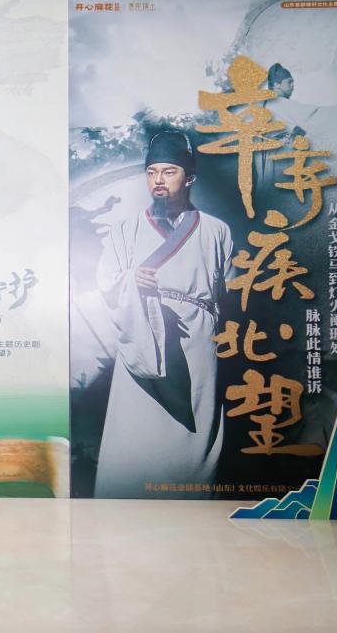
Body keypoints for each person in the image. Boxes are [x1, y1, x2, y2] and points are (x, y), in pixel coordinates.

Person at [93, 130, 233, 498]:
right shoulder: (126, 228)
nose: (158, 179)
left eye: (169, 171)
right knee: (136, 429)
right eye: (152, 171)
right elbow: (107, 283)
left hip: (195, 338)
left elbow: (226, 292)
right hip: (141, 335)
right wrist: (132, 280)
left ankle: (190, 506)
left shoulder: (216, 230)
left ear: (190, 177)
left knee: (194, 432)